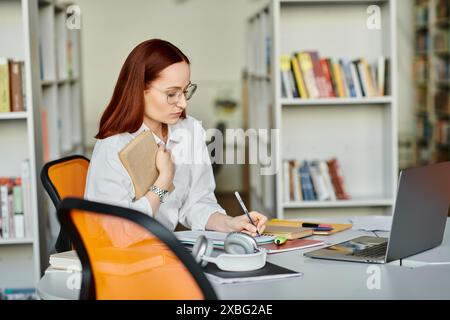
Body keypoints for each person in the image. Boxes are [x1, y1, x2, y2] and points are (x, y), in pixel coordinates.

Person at [85, 39, 268, 237]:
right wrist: (163, 181)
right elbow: (119, 232)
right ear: (139, 90)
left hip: (162, 250)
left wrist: (230, 223)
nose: (182, 103)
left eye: (185, 91)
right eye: (172, 94)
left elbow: (197, 203)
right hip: (122, 256)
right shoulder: (113, 146)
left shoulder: (190, 130)